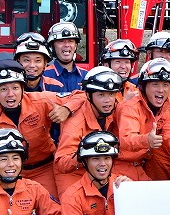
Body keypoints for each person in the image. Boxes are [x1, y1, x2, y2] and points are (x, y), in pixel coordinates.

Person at [0, 59, 80, 199]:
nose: (10, 94)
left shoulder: (40, 101)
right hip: (5, 172)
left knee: (56, 210)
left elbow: (82, 96)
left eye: (15, 88)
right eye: (3, 89)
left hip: (43, 168)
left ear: (23, 89)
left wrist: (67, 108)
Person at [54, 66, 125, 196]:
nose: (107, 100)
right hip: (73, 173)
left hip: (101, 168)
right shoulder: (75, 124)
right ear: (89, 95)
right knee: (71, 206)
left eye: (111, 94)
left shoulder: (113, 106)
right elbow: (61, 163)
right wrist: (83, 154)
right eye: (101, 95)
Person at [114, 58, 170, 182]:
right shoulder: (131, 106)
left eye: (166, 85)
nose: (161, 90)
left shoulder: (165, 108)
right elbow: (126, 140)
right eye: (155, 84)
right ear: (144, 86)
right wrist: (146, 140)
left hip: (141, 163)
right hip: (120, 165)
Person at [43, 21, 87, 93]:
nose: (66, 45)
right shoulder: (44, 75)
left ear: (75, 46)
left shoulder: (86, 76)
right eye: (61, 41)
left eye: (70, 41)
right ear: (52, 46)